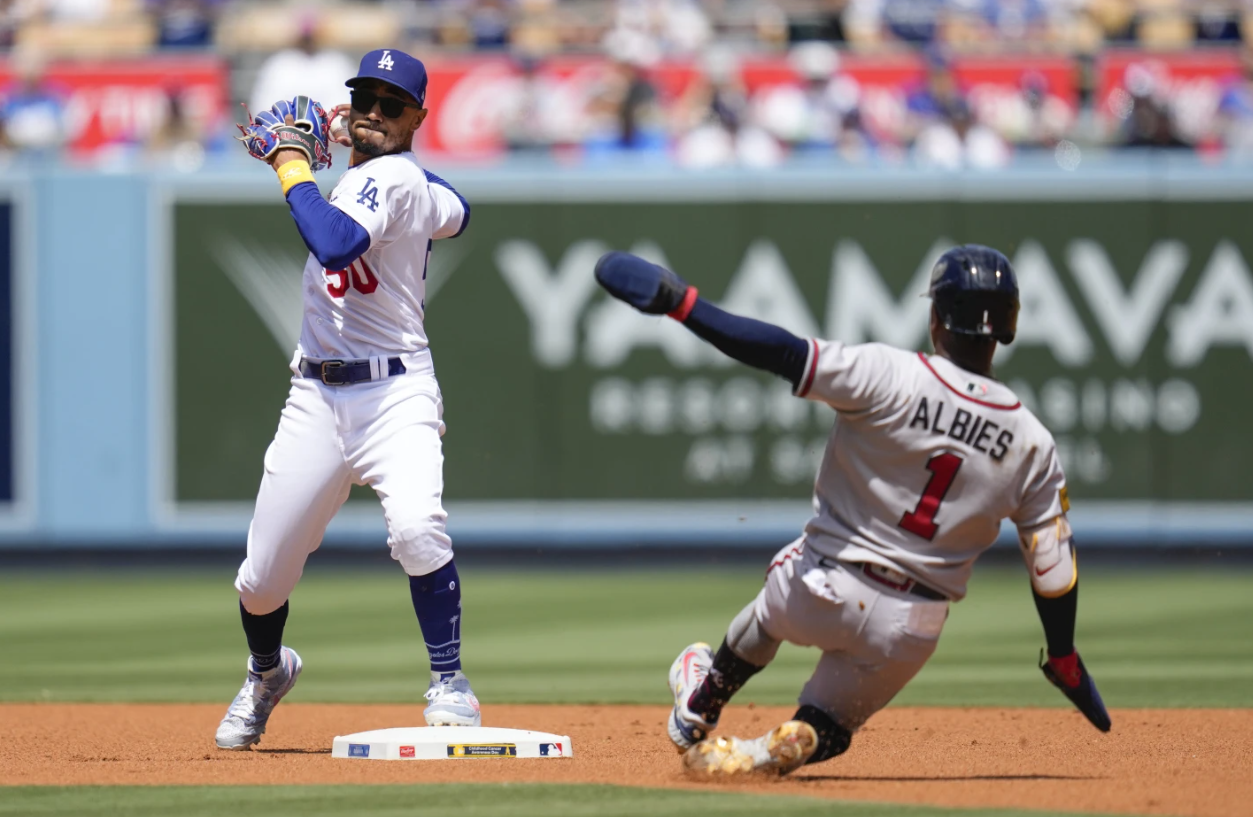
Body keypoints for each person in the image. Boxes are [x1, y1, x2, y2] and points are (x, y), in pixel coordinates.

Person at [593, 246, 1111, 776]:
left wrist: (685, 305)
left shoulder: (890, 374)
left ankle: (703, 700)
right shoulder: (1033, 443)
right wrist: (1064, 658)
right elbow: (1052, 570)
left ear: (935, 317)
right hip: (911, 628)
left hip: (820, 585)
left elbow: (779, 351)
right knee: (834, 724)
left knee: (777, 593)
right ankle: (783, 743)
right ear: (1009, 326)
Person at [217, 48, 478, 751]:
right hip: (315, 396)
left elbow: (333, 244)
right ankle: (267, 671)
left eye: (392, 104)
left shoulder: (390, 178)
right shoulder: (405, 184)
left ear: (418, 116)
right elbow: (460, 209)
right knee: (259, 580)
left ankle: (449, 679)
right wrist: (371, 165)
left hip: (396, 391)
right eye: (364, 98)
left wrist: (292, 164)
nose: (373, 111)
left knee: (418, 526)